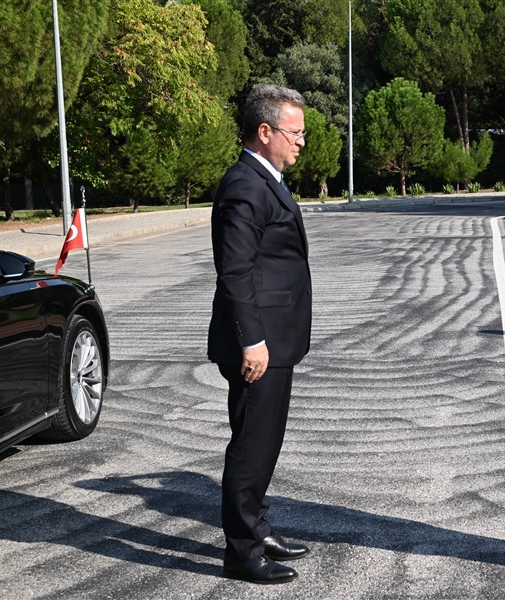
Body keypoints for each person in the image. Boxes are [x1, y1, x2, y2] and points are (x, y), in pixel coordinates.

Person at [208, 84, 313, 584]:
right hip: (259, 344)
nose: (301, 142)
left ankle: (257, 525)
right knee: (251, 445)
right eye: (295, 133)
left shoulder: (265, 178)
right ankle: (242, 552)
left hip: (274, 339)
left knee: (264, 441)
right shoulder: (246, 185)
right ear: (264, 131)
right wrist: (252, 340)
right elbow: (235, 270)